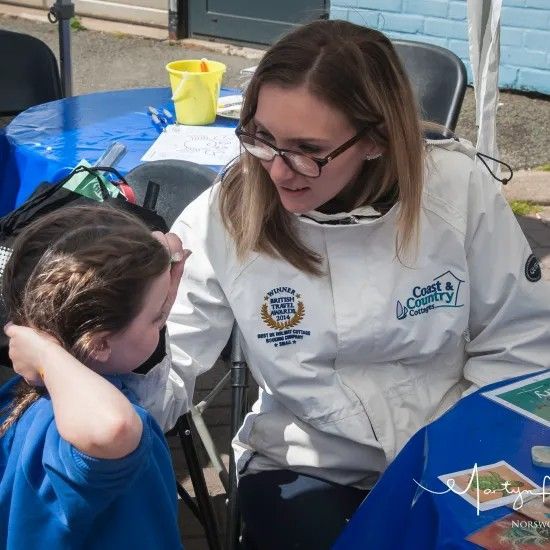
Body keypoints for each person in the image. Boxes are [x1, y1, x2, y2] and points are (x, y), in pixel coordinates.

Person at [163, 19, 550, 549]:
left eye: (307, 149)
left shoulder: (457, 191)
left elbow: (520, 342)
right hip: (311, 462)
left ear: (375, 140)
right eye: (261, 138)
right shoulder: (226, 214)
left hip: (459, 447)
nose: (278, 171)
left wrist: (461, 456)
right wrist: (126, 354)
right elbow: (169, 367)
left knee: (522, 541)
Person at [0, 205, 187, 549]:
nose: (161, 324)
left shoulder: (22, 399)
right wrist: (44, 355)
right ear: (100, 343)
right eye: (156, 318)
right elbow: (114, 427)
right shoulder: (68, 435)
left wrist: (150, 296)